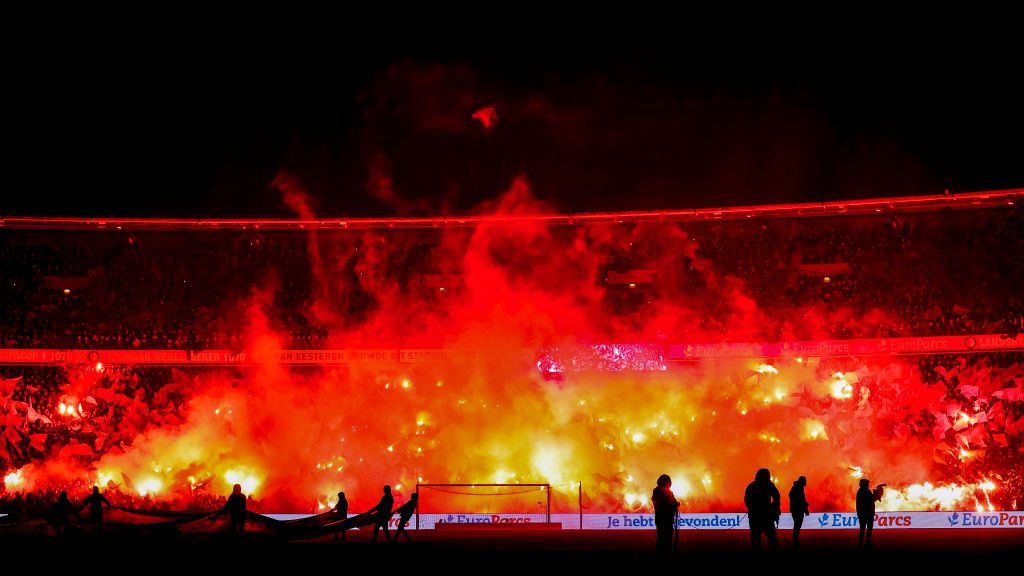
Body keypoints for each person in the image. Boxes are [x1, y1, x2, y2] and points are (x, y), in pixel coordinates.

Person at [744, 468, 780, 551]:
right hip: (765, 516)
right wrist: (774, 508)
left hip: (755, 516)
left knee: (756, 539)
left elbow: (746, 500)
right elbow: (777, 497)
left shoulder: (751, 486)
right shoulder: (769, 485)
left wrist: (751, 508)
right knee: (771, 538)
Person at [651, 474, 680, 556]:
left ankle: (667, 552)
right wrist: (673, 505)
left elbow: (673, 502)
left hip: (668, 518)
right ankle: (661, 553)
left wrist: (675, 504)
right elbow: (660, 504)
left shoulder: (668, 492)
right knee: (662, 537)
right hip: (662, 518)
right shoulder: (657, 491)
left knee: (668, 536)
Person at [856, 479, 884, 548]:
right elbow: (871, 500)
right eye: (867, 484)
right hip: (867, 513)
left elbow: (871, 499)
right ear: (864, 484)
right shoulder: (864, 491)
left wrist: (877, 492)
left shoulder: (861, 491)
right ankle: (866, 544)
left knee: (863, 529)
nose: (868, 485)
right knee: (867, 529)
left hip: (863, 513)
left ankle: (862, 544)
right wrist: (878, 491)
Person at [788, 476, 810, 548]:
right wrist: (805, 509)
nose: (805, 482)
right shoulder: (799, 488)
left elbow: (792, 496)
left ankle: (795, 541)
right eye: (805, 481)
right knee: (797, 526)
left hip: (795, 509)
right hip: (798, 510)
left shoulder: (795, 487)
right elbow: (802, 500)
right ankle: (795, 542)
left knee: (796, 526)